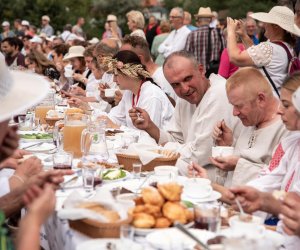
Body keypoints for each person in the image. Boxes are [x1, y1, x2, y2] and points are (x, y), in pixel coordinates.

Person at [129, 51, 241, 179]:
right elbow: (177, 139)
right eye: (175, 85)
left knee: (154, 166)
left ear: (201, 70)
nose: (185, 89)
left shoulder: (219, 93)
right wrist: (149, 126)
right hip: (192, 167)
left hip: (216, 175)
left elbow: (199, 155)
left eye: (188, 79)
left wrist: (166, 148)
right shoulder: (184, 99)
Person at [191, 67, 288, 187]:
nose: (234, 113)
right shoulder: (252, 118)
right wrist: (228, 145)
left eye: (239, 106)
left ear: (261, 99)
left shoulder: (287, 128)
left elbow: (281, 179)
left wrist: (238, 164)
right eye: (233, 106)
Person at [227, 6, 300, 94]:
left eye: (267, 21)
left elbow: (235, 58)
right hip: (278, 100)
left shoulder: (271, 48)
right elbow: (258, 55)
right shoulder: (286, 46)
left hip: (268, 102)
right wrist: (243, 35)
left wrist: (230, 31)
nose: (264, 24)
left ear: (276, 26)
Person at [104, 50, 174, 130]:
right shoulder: (129, 92)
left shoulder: (151, 95)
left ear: (130, 73)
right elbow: (116, 117)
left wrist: (117, 127)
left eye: (116, 75)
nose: (114, 80)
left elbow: (149, 136)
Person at [121, 35, 177, 104]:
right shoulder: (135, 80)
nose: (120, 63)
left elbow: (173, 109)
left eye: (124, 58)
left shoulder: (163, 78)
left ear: (139, 59)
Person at [185, 7, 225, 76]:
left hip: (198, 73)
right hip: (215, 73)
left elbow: (187, 56)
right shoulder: (218, 32)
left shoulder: (191, 35)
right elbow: (225, 52)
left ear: (198, 20)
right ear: (210, 19)